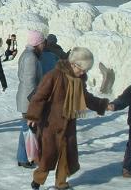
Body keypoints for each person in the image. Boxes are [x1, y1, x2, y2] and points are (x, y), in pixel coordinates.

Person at [27, 47, 109, 190]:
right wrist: (33, 115)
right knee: (48, 155)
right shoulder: (54, 75)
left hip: (69, 123)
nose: (82, 72)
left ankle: (61, 183)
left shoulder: (79, 81)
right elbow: (39, 96)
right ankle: (38, 180)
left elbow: (85, 97)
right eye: (81, 68)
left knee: (66, 156)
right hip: (50, 123)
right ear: (72, 63)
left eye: (85, 70)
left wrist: (101, 105)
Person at [16, 30, 45, 169]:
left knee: (28, 128)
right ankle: (23, 158)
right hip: (29, 100)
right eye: (42, 43)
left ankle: (26, 156)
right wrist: (35, 102)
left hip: (26, 98)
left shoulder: (28, 55)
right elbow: (29, 82)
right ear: (37, 43)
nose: (44, 46)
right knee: (27, 128)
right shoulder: (31, 58)